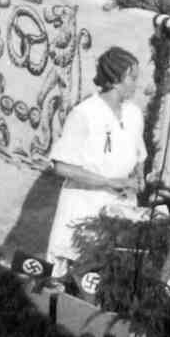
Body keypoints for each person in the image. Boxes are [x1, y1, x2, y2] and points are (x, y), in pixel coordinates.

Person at [44, 46, 148, 264]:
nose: (136, 84)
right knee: (76, 273)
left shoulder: (134, 113)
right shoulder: (84, 113)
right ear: (116, 78)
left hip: (121, 210)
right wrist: (108, 182)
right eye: (132, 78)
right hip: (84, 206)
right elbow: (61, 167)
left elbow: (139, 155)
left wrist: (139, 177)